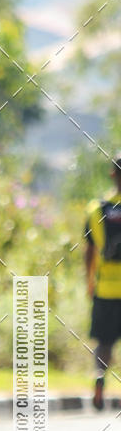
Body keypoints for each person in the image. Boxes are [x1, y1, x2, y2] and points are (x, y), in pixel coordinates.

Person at [85, 153, 121, 410]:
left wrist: (89, 282)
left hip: (106, 288)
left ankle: (100, 377)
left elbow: (89, 252)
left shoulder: (97, 209)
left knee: (104, 341)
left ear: (113, 174)